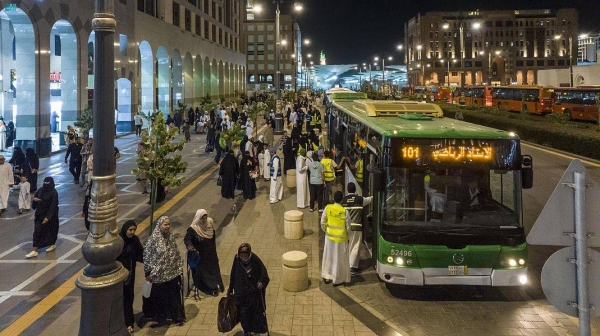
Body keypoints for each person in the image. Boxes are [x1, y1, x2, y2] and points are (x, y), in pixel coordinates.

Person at [143, 216, 185, 328]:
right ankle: (162, 318)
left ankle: (177, 317)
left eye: (168, 224)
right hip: (159, 274)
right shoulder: (153, 239)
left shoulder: (170, 236)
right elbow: (147, 256)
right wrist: (148, 272)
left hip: (172, 273)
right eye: (165, 224)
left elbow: (175, 251)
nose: (167, 226)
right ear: (159, 225)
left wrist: (179, 266)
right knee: (161, 298)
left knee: (174, 295)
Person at [227, 243, 270, 336]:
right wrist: (230, 290)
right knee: (244, 314)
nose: (243, 258)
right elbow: (233, 274)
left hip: (254, 295)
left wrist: (261, 282)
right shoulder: (237, 259)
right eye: (241, 256)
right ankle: (246, 330)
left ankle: (255, 330)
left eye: (245, 256)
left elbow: (264, 273)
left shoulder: (254, 259)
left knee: (255, 313)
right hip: (241, 295)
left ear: (249, 254)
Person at [184, 209, 224, 296]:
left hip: (211, 253)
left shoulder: (210, 222)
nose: (204, 220)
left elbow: (213, 237)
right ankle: (211, 288)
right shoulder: (194, 228)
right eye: (202, 218)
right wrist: (191, 247)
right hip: (201, 255)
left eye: (205, 217)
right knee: (205, 272)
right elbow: (187, 239)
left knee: (213, 270)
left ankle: (216, 285)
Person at [116, 220, 144, 334]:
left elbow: (140, 254)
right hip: (119, 276)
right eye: (130, 230)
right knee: (121, 299)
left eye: (134, 230)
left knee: (129, 298)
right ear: (125, 229)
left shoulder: (135, 240)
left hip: (130, 275)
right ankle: (122, 322)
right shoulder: (119, 242)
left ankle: (129, 323)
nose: (132, 232)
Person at [341, 182, 373, 275]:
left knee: (347, 246)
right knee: (355, 246)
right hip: (357, 227)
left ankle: (346, 263)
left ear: (347, 190)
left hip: (345, 228)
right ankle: (353, 268)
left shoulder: (343, 200)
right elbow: (370, 199)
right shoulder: (360, 199)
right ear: (355, 190)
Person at [321, 191, 351, 285]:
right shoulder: (345, 212)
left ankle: (327, 276)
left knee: (328, 257)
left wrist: (326, 230)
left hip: (329, 238)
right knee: (340, 259)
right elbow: (348, 227)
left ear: (334, 198)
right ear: (342, 200)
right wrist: (348, 237)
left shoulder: (327, 208)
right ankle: (337, 279)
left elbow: (322, 222)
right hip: (341, 240)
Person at [26, 177, 59, 258]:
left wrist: (48, 217)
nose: (46, 185)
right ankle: (35, 250)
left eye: (48, 183)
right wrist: (35, 201)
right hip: (39, 214)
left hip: (51, 217)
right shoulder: (40, 190)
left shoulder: (54, 192)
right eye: (45, 183)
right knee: (37, 232)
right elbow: (35, 199)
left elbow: (53, 206)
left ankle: (52, 244)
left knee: (51, 231)